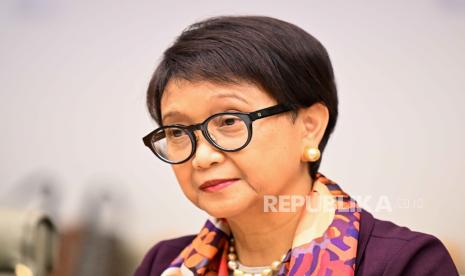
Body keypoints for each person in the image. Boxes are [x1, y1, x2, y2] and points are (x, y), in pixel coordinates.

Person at [134, 15, 459, 276]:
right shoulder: (163, 264)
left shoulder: (403, 263)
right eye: (177, 131)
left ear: (309, 127)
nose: (202, 157)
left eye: (229, 121)